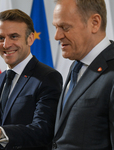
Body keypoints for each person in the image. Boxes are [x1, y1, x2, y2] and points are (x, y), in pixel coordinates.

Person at [0, 9, 62, 150]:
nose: (6, 44)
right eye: (0, 38)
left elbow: (43, 131)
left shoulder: (48, 77)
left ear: (30, 39)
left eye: (14, 36)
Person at [52, 0, 114, 149]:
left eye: (65, 27)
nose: (57, 36)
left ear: (94, 23)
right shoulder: (77, 65)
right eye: (56, 27)